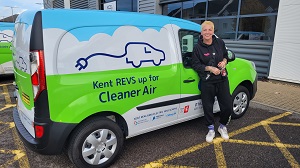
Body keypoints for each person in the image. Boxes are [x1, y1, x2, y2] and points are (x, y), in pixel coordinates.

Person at [191, 21, 232, 143]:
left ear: (213, 31)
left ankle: (222, 126)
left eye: (210, 30)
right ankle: (211, 129)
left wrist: (224, 62)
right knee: (208, 106)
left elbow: (226, 56)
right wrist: (210, 68)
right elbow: (195, 65)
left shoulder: (220, 42)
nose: (207, 32)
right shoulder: (198, 47)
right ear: (201, 32)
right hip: (207, 81)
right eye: (205, 30)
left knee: (227, 106)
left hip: (222, 79)